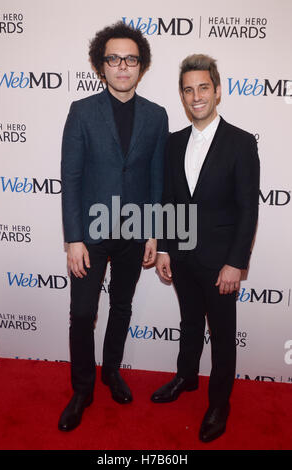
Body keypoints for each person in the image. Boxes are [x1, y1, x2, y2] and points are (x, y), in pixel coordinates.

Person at [59, 21, 168, 431]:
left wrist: (154, 232)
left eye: (131, 59)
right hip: (90, 234)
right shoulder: (82, 111)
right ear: (100, 65)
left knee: (121, 306)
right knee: (83, 312)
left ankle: (111, 373)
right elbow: (70, 178)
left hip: (135, 231)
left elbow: (157, 178)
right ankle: (83, 388)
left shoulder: (157, 116)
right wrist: (73, 237)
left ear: (141, 66)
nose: (123, 66)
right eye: (114, 59)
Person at [151, 54, 259, 443]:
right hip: (180, 256)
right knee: (189, 323)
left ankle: (219, 404)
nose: (196, 96)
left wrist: (236, 263)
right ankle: (185, 377)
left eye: (203, 88)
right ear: (182, 95)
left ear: (217, 91)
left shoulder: (241, 143)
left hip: (220, 263)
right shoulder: (173, 142)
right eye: (188, 89)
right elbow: (166, 199)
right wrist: (163, 249)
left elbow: (249, 208)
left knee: (223, 334)